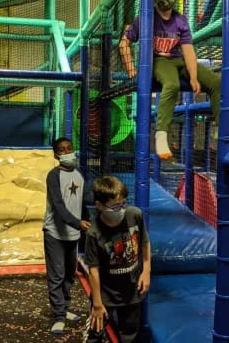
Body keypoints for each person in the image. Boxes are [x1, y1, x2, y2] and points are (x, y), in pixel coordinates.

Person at [119, 0, 221, 159]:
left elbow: (188, 50)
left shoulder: (180, 20)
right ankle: (161, 135)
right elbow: (124, 43)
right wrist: (131, 70)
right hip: (158, 60)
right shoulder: (145, 18)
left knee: (216, 82)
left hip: (178, 60)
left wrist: (194, 77)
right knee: (172, 84)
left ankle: (221, 130)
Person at [84, 176, 151, 343]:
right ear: (99, 206)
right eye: (115, 206)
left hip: (132, 290)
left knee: (129, 334)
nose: (121, 209)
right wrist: (98, 304)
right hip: (106, 294)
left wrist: (146, 271)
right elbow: (93, 271)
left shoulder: (135, 215)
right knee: (95, 332)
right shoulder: (94, 233)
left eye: (123, 204)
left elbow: (145, 243)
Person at [43, 137, 92, 334]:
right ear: (56, 155)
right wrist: (77, 223)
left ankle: (65, 307)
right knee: (57, 275)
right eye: (62, 150)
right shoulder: (53, 176)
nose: (67, 152)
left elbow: (83, 201)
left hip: (73, 234)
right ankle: (59, 316)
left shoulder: (79, 174)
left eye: (69, 148)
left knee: (69, 275)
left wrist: (88, 222)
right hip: (54, 233)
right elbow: (58, 206)